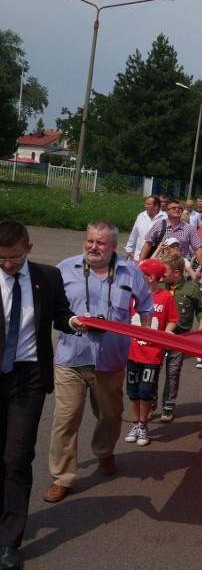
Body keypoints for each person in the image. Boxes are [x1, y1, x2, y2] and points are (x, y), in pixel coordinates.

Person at [44, 220, 154, 503]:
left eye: (100, 243)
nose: (93, 247)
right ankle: (62, 477)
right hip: (72, 357)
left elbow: (145, 304)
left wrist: (144, 335)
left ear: (114, 246)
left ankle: (104, 453)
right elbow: (50, 307)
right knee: (66, 419)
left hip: (112, 359)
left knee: (109, 416)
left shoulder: (131, 272)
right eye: (90, 241)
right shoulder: (64, 268)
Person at [0, 221, 83, 570]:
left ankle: (8, 543)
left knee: (17, 458)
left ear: (29, 248)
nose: (8, 265)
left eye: (15, 259)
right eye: (2, 260)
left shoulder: (47, 277)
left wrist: (73, 322)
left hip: (29, 377)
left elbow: (60, 315)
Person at [124, 259, 177, 446]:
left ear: (151, 277)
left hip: (152, 354)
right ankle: (135, 424)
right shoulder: (131, 296)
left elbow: (172, 319)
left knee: (146, 391)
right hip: (132, 352)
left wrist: (168, 332)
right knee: (133, 391)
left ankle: (143, 425)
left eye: (141, 275)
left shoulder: (166, 297)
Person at [155, 254, 202, 420]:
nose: (161, 274)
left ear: (177, 272)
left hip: (179, 336)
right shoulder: (159, 286)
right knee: (153, 371)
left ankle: (168, 406)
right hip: (158, 335)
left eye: (165, 271)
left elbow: (201, 309)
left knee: (173, 371)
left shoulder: (191, 289)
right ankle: (150, 404)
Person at [139, 199, 202, 265]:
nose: (177, 209)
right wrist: (140, 264)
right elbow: (148, 244)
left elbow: (198, 248)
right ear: (167, 211)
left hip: (179, 268)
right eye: (173, 208)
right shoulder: (159, 225)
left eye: (179, 208)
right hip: (160, 266)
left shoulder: (189, 228)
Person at [125, 195, 167, 261]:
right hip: (138, 256)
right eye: (145, 204)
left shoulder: (165, 217)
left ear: (156, 206)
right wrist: (129, 249)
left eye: (148, 204)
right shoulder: (141, 216)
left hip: (157, 258)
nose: (146, 206)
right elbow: (134, 234)